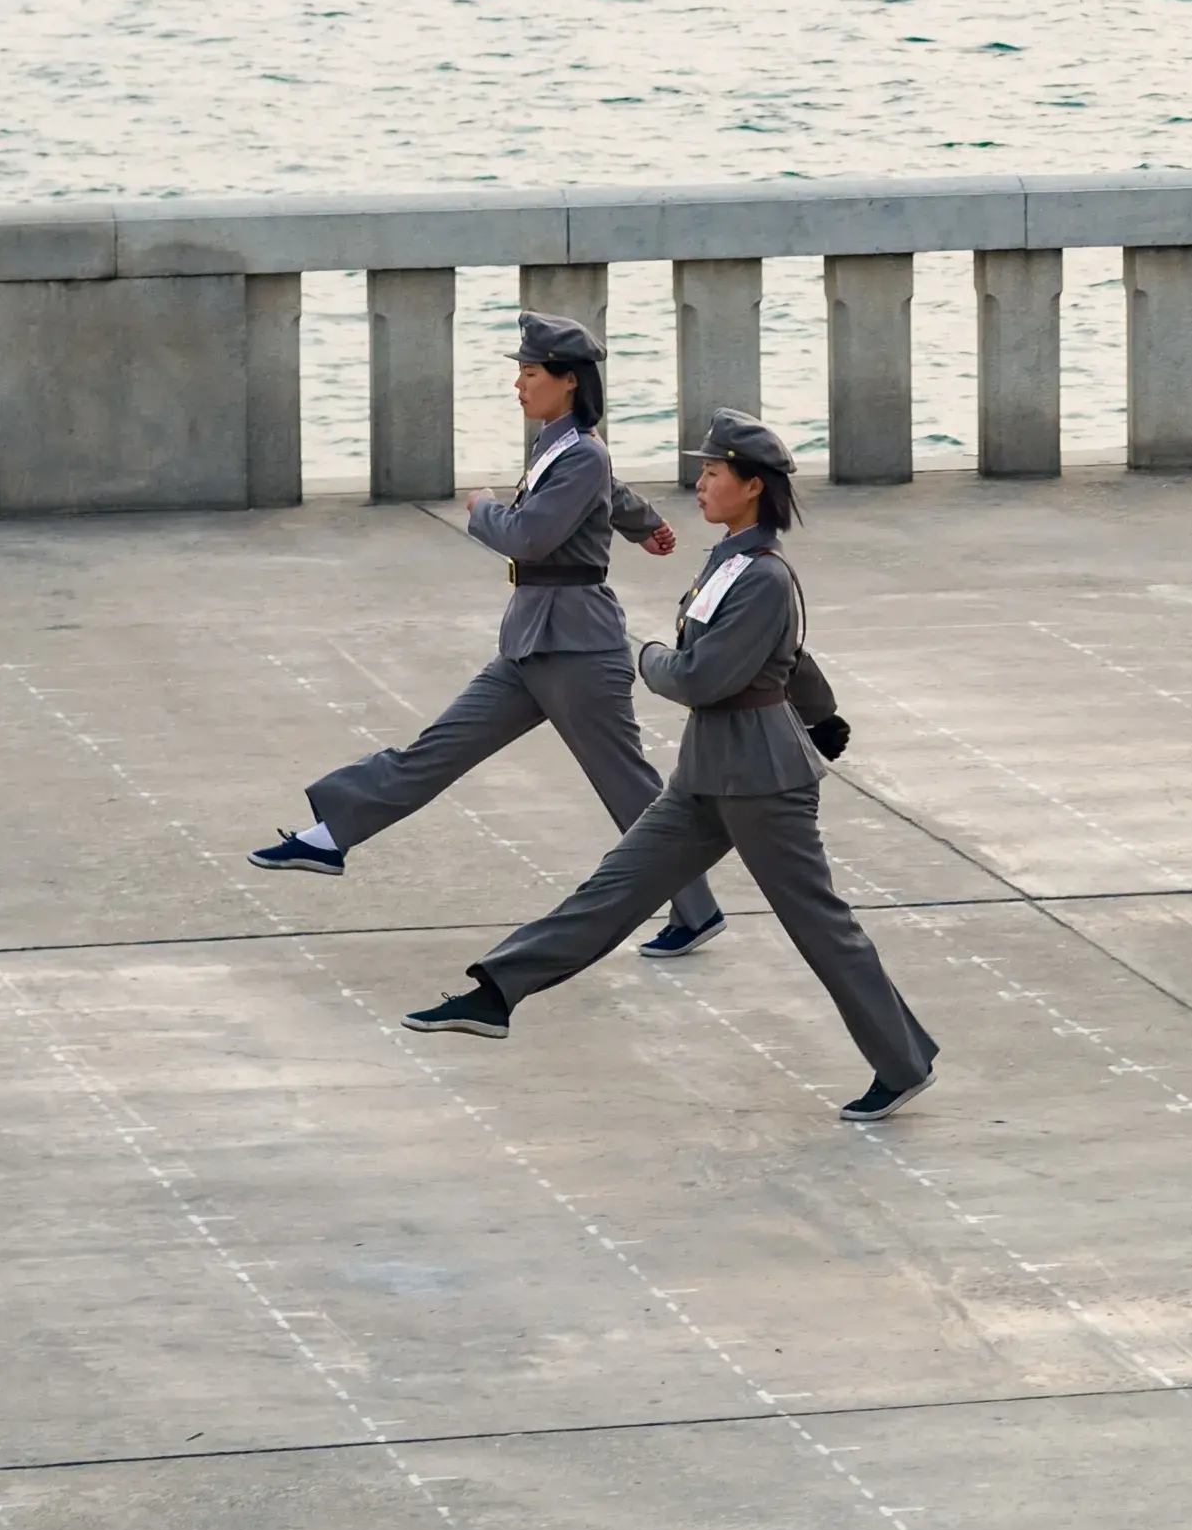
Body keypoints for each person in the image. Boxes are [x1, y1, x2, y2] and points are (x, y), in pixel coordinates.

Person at [399, 415, 939, 1125]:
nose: (702, 482)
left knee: (820, 926)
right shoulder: (732, 562)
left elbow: (703, 676)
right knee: (616, 886)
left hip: (763, 781)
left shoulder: (764, 576)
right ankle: (496, 994)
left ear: (753, 487)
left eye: (715, 473)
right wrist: (821, 709)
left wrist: (646, 656)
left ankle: (903, 1062)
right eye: (704, 469)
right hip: (708, 775)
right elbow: (787, 656)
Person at [250, 313, 724, 961]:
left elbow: (531, 535)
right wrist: (645, 524)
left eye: (530, 375)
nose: (518, 387)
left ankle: (695, 910)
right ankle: (331, 836)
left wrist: (482, 510)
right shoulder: (561, 444)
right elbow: (606, 492)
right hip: (533, 642)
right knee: (437, 749)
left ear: (567, 382)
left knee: (629, 788)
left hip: (579, 649)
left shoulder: (579, 450)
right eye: (520, 374)